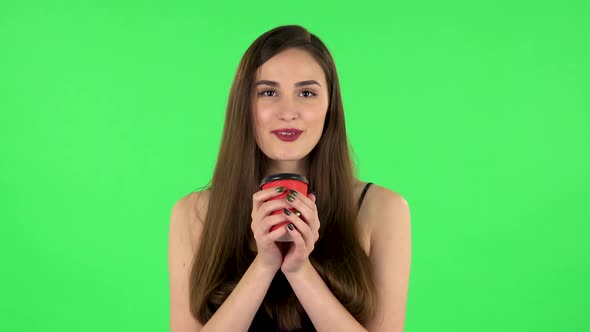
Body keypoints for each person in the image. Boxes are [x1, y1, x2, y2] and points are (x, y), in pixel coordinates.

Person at [168, 25, 412, 332]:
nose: (288, 112)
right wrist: (265, 265)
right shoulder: (193, 213)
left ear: (330, 106)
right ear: (244, 107)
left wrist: (299, 271)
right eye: (268, 92)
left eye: (306, 93)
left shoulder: (383, 209)